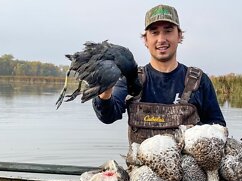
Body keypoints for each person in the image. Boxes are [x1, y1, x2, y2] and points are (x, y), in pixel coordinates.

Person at [92, 4, 226, 144]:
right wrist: (105, 90)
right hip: (142, 166)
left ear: (179, 36)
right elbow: (108, 116)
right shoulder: (132, 79)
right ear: (146, 40)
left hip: (187, 166)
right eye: (154, 32)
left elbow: (218, 128)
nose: (161, 39)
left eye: (168, 31)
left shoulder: (199, 81)